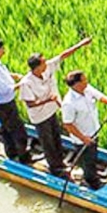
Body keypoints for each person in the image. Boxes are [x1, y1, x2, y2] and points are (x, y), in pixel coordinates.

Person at [18, 37, 91, 179]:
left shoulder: (48, 67)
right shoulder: (26, 83)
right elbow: (30, 104)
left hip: (52, 111)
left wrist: (81, 44)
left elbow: (63, 55)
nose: (46, 63)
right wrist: (47, 100)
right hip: (40, 117)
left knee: (56, 138)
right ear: (37, 67)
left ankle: (61, 163)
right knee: (48, 143)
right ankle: (56, 169)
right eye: (43, 62)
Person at [60, 70, 107, 189]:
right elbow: (68, 124)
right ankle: (91, 182)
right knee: (87, 160)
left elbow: (100, 96)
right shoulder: (69, 103)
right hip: (82, 138)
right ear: (76, 84)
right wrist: (83, 138)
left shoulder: (87, 89)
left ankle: (93, 175)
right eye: (84, 80)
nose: (86, 81)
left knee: (92, 156)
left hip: (94, 131)